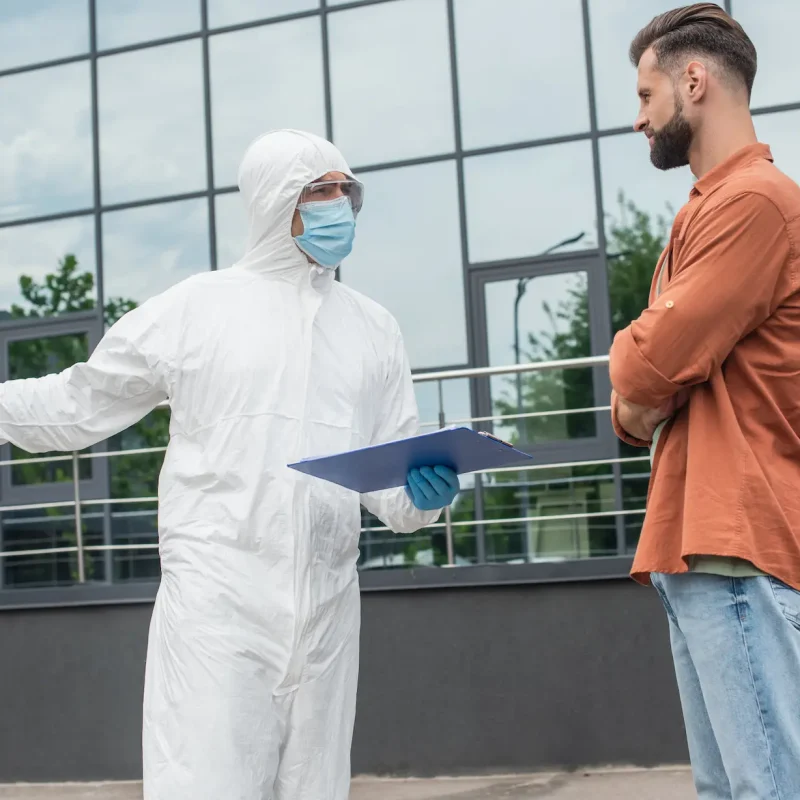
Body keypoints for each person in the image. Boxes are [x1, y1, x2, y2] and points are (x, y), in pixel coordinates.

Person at [0, 129, 460, 799]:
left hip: (328, 616)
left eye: (346, 191)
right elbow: (78, 404)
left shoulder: (372, 328)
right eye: (321, 190)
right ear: (276, 202)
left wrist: (424, 493)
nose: (342, 205)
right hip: (220, 612)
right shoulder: (197, 309)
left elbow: (391, 488)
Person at [609, 4, 800, 797]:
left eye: (647, 95)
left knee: (764, 788)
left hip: (737, 544)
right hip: (696, 549)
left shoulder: (755, 203)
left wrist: (638, 370)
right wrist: (643, 381)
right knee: (727, 791)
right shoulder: (706, 211)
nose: (638, 118)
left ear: (694, 81)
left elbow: (646, 367)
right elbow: (638, 399)